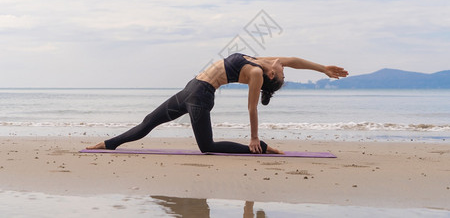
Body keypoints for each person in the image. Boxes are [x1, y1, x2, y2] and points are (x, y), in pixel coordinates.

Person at [87, 53, 348, 154]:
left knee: (207, 147)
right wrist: (323, 68)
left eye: (283, 73)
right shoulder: (262, 61)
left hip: (201, 96)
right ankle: (109, 144)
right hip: (190, 88)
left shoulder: (257, 73)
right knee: (149, 121)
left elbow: (252, 107)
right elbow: (293, 59)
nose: (284, 69)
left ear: (270, 77)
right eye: (284, 73)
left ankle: (262, 148)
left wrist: (254, 137)